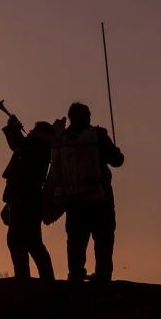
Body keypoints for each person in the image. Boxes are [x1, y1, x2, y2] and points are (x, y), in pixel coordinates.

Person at [52, 102, 124, 285]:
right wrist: (115, 151)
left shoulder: (62, 139)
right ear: (88, 117)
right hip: (100, 198)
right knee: (104, 238)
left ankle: (75, 274)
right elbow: (117, 160)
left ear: (70, 118)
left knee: (76, 240)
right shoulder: (97, 135)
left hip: (74, 200)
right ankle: (103, 275)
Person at [2, 116, 56, 280]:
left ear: (40, 132)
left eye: (33, 130)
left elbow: (18, 144)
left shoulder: (38, 145)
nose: (30, 132)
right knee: (30, 242)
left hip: (26, 198)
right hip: (26, 198)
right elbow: (18, 145)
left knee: (21, 241)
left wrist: (14, 128)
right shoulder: (39, 146)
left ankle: (26, 278)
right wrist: (13, 128)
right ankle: (40, 278)